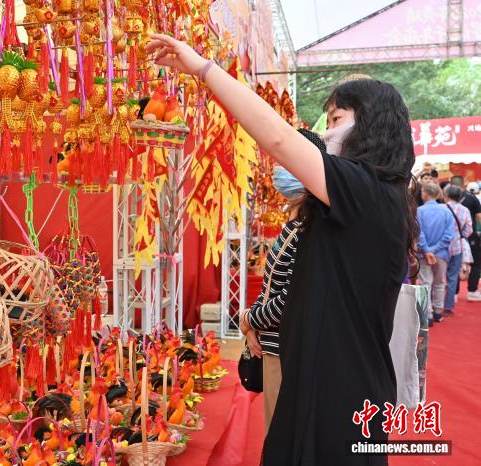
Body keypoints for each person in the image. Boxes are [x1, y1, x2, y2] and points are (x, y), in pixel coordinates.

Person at [147, 36, 417, 465]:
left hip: (341, 390)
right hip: (323, 377)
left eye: (336, 118)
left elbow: (277, 137)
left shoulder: (367, 191)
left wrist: (203, 69)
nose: (325, 132)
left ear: (369, 125)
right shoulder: (370, 195)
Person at [240, 129, 326, 432]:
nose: (278, 170)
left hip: (285, 348)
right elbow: (272, 287)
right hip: (274, 344)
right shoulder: (296, 223)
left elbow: (290, 300)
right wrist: (253, 322)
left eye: (286, 163)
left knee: (280, 434)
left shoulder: (307, 230)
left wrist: (249, 319)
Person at [417, 183, 455, 325]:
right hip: (441, 253)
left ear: (425, 194)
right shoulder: (446, 212)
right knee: (439, 282)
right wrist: (434, 249)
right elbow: (449, 236)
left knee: (425, 283)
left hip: (424, 254)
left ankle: (427, 315)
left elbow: (418, 233)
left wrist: (427, 250)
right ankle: (438, 311)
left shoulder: (419, 211)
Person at [443, 185, 472, 316]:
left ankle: (434, 305)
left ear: (447, 195)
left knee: (437, 277)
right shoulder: (465, 210)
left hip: (441, 246)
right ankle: (448, 307)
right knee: (453, 277)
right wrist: (460, 236)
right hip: (457, 246)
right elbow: (469, 229)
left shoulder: (442, 208)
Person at [450, 175, 481, 300]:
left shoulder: (445, 199)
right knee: (476, 263)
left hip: (451, 237)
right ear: (463, 184)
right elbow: (479, 218)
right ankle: (472, 291)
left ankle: (454, 293)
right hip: (470, 236)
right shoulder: (472, 198)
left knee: (453, 264)